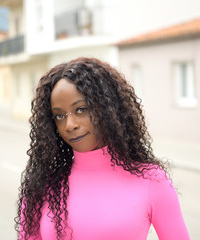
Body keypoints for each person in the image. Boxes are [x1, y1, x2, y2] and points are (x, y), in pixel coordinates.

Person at [15, 57, 190, 240]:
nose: (70, 124)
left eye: (81, 109)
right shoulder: (41, 185)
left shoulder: (151, 180)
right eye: (59, 116)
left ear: (108, 109)